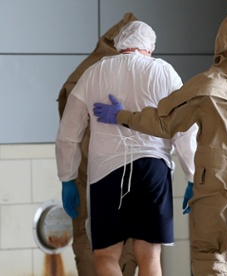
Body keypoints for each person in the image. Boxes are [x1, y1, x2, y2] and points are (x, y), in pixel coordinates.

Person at [92, 12, 227, 276]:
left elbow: (163, 124)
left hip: (212, 188)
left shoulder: (204, 85)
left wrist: (121, 116)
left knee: (209, 260)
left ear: (219, 47)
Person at [55, 19, 197, 276]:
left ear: (120, 44)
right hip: (153, 170)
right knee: (150, 256)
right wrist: (193, 177)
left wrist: (67, 178)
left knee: (106, 256)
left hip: (106, 173)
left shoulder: (94, 72)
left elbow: (68, 132)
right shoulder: (164, 71)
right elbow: (184, 128)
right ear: (150, 47)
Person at [57, 12, 139, 276]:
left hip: (87, 174)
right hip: (130, 173)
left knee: (89, 240)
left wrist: (67, 178)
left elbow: (67, 130)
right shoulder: (144, 72)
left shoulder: (83, 73)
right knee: (133, 244)